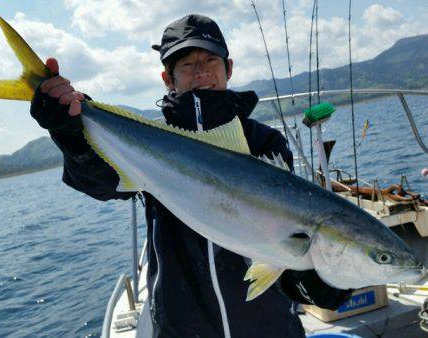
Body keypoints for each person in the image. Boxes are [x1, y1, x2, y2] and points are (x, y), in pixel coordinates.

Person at [30, 14, 351, 338]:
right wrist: (71, 135)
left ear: (229, 67)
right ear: (167, 78)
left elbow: (281, 233)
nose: (201, 70)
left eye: (210, 59)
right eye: (186, 63)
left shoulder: (263, 142)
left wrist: (313, 277)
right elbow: (101, 181)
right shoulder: (153, 140)